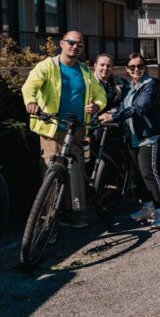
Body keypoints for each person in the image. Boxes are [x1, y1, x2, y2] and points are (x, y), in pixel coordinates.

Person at [22, 31, 106, 228]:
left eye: (79, 44)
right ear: (61, 43)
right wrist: (31, 101)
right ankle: (45, 222)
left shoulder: (85, 71)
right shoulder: (47, 66)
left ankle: (71, 213)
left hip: (76, 129)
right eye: (71, 42)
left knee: (74, 173)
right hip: (52, 128)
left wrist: (97, 106)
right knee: (50, 174)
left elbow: (100, 94)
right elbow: (29, 85)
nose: (75, 47)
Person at [98, 54, 160, 229]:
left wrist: (113, 115)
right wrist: (110, 114)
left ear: (145, 67)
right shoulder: (128, 87)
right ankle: (147, 206)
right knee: (135, 177)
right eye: (132, 67)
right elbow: (122, 107)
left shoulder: (151, 85)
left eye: (139, 66)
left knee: (148, 174)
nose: (136, 69)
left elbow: (139, 108)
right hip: (131, 137)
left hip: (147, 136)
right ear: (127, 70)